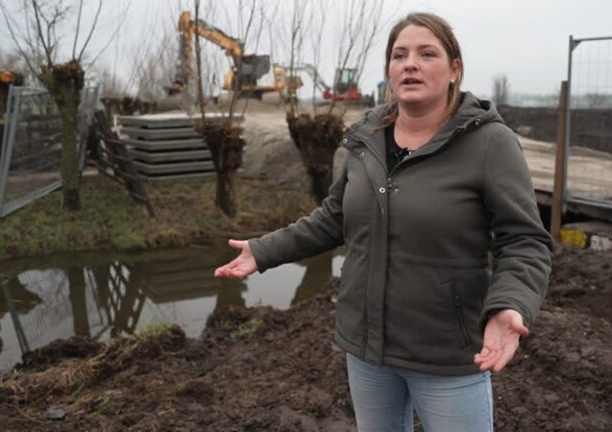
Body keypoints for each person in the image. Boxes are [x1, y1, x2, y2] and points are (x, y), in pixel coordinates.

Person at [215, 12, 553, 432]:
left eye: (427, 53)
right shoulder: (367, 138)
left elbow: (524, 240)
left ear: (455, 70)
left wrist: (510, 303)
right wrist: (263, 251)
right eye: (399, 55)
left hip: (448, 354)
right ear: (389, 71)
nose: (410, 63)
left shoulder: (489, 143)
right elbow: (333, 218)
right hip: (368, 351)